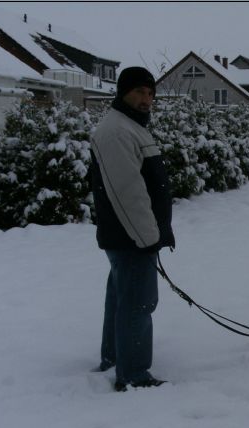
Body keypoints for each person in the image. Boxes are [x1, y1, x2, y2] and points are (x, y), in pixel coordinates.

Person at [90, 67, 175, 392]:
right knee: (138, 303)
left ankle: (115, 358)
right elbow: (128, 193)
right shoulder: (117, 132)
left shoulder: (128, 127)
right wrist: (148, 237)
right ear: (123, 92)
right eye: (139, 91)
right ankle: (134, 374)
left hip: (127, 235)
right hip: (131, 236)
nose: (146, 99)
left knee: (122, 299)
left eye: (150, 93)